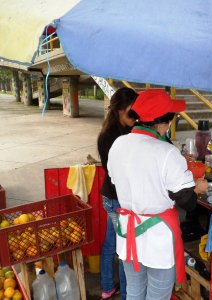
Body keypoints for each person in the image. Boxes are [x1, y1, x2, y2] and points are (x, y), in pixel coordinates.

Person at [107, 89, 208, 300]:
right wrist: (197, 189)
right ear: (164, 123)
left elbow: (118, 181)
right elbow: (187, 202)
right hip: (158, 240)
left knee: (134, 292)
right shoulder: (167, 153)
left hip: (129, 234)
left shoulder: (118, 144)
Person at [97, 87, 139, 300]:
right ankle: (125, 294)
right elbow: (118, 173)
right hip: (116, 199)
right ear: (120, 110)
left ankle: (107, 287)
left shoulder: (123, 131)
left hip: (111, 197)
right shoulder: (111, 137)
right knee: (124, 250)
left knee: (111, 242)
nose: (136, 117)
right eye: (133, 112)